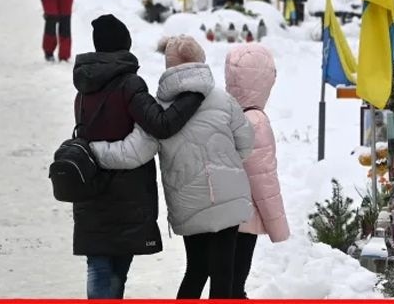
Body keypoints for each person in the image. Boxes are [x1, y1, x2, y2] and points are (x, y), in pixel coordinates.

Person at [93, 36, 253, 299]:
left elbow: (133, 153)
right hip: (229, 198)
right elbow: (246, 143)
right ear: (200, 60)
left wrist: (92, 150)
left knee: (197, 268)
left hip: (189, 203)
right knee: (224, 271)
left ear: (168, 66)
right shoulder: (224, 100)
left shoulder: (158, 111)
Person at [72, 17, 207, 299]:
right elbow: (161, 124)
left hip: (91, 186)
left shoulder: (83, 87)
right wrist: (192, 95)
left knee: (98, 262)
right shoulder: (129, 84)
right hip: (126, 191)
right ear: (125, 45)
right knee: (116, 266)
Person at [223, 43, 290, 299]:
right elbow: (263, 177)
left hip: (220, 212)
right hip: (244, 215)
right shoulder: (257, 121)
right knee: (235, 284)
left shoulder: (223, 113)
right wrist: (278, 225)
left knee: (223, 280)